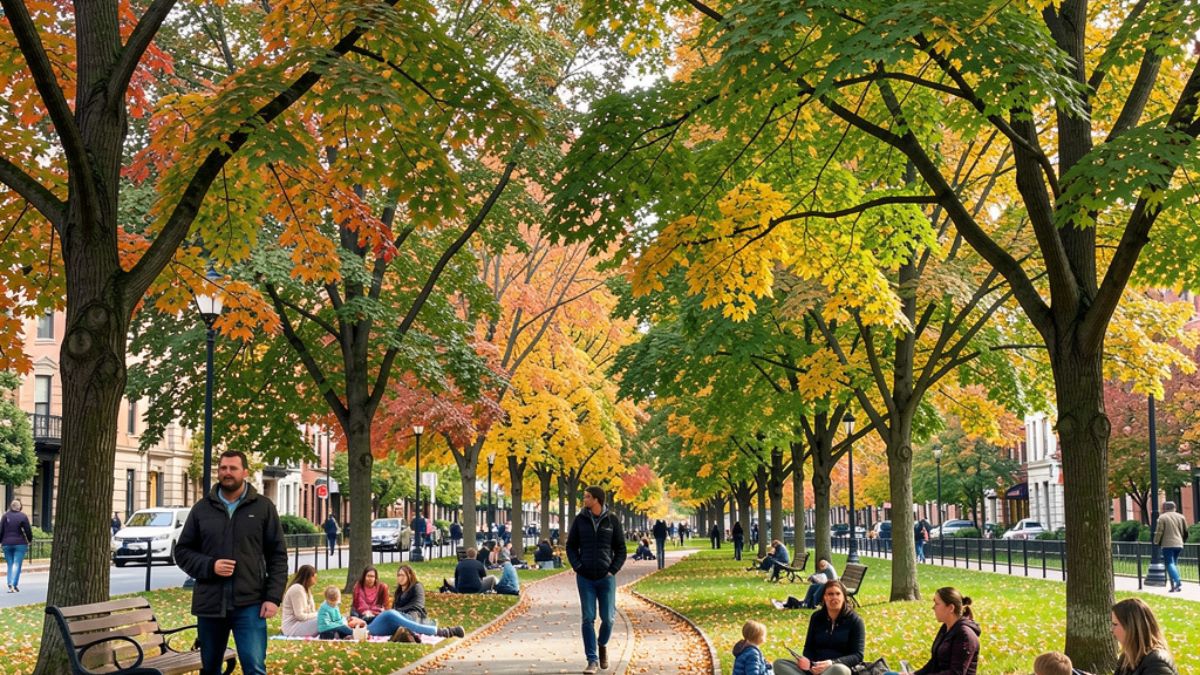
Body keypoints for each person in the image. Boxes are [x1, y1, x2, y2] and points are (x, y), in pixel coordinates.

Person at [175, 450, 288, 675]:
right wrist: (210, 566)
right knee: (210, 669)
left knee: (254, 668)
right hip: (210, 604)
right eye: (223, 468)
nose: (227, 473)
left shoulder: (263, 507)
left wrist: (273, 597)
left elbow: (278, 555)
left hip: (251, 603)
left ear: (245, 472)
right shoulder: (201, 508)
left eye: (233, 468)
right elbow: (183, 551)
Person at [567, 486, 627, 674]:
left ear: (597, 500)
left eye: (587, 497)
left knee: (608, 619)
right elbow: (570, 546)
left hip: (606, 577)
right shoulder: (580, 520)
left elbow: (621, 548)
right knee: (588, 618)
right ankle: (591, 660)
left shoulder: (612, 521)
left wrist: (613, 570)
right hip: (585, 578)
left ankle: (602, 644)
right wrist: (578, 566)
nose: (584, 500)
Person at [774, 580, 865, 675]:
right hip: (815, 667)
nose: (834, 597)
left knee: (840, 670)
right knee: (779, 664)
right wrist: (809, 663)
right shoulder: (816, 618)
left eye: (838, 594)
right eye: (830, 594)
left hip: (836, 667)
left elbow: (858, 655)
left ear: (843, 597)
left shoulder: (855, 621)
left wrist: (831, 663)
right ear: (824, 597)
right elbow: (808, 648)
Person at [886, 587, 980, 675]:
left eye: (937, 603)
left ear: (951, 608)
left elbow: (956, 673)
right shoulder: (946, 628)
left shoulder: (965, 634)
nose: (933, 607)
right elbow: (934, 663)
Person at [1110, 597, 1179, 675]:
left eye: (1115, 624)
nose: (1111, 630)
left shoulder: (1156, 664)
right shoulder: (1127, 656)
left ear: (1132, 628)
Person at [1153, 501, 1188, 593]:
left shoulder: (1162, 517)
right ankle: (1175, 587)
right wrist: (1182, 541)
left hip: (1167, 544)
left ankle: (1177, 581)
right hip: (1179, 543)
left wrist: (1156, 542)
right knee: (1174, 564)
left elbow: (1159, 531)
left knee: (1169, 563)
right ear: (1174, 507)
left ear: (1165, 508)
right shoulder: (1181, 517)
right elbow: (1185, 531)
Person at [1, 500, 33, 593]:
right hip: (20, 543)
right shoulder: (23, 516)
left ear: (11, 506)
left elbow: (1, 530)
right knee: (17, 564)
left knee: (10, 564)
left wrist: (0, 541)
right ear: (19, 507)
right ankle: (13, 584)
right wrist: (29, 540)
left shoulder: (5, 516)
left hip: (6, 543)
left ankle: (11, 584)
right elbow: (28, 530)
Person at [281, 565, 321, 637]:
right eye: (313, 576)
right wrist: (319, 614)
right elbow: (300, 616)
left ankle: (340, 632)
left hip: (303, 623)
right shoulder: (297, 589)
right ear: (307, 577)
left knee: (330, 618)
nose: (316, 579)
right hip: (293, 627)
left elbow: (311, 612)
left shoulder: (307, 590)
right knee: (324, 620)